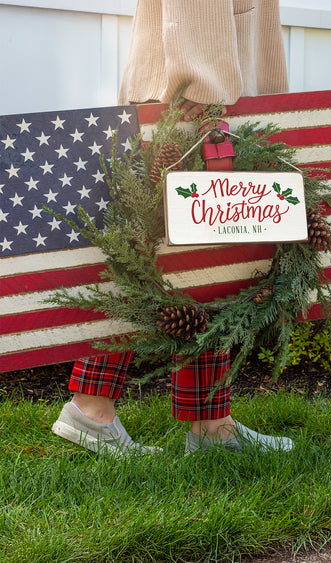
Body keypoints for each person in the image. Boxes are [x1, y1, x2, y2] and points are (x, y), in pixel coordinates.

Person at [52, 0, 293, 456]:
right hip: (192, 94)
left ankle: (200, 424)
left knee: (188, 261)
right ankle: (98, 411)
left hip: (198, 83)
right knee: (178, 254)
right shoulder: (199, 90)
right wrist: (200, 85)